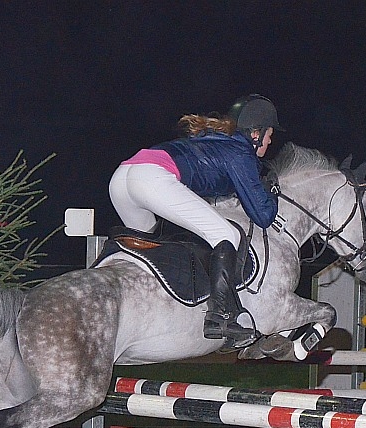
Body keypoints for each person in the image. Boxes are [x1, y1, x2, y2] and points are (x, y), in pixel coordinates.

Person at [109, 94, 282, 346]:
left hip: (122, 177)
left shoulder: (214, 140)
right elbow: (263, 216)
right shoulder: (240, 151)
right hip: (152, 178)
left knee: (147, 246)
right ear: (255, 134)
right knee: (227, 235)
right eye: (269, 135)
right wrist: (272, 192)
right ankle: (221, 316)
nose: (270, 141)